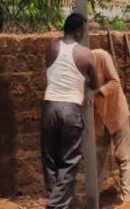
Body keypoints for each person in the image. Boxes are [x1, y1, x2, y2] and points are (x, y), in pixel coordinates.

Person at [41, 11, 99, 209]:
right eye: (83, 30)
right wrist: (86, 80)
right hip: (70, 109)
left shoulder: (51, 47)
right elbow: (95, 84)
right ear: (77, 30)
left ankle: (52, 197)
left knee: (50, 157)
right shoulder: (85, 54)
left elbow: (53, 72)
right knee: (68, 160)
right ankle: (57, 205)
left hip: (49, 107)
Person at [93, 48, 130, 201]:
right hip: (98, 120)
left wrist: (96, 92)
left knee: (123, 157)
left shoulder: (101, 56)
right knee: (97, 159)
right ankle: (92, 200)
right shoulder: (77, 70)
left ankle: (128, 201)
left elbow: (115, 82)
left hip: (116, 114)